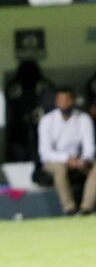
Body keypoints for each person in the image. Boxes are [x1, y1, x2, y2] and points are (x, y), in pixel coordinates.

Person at [38, 87, 96, 216]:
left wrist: (84, 159)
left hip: (78, 159)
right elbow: (45, 152)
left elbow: (89, 147)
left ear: (73, 100)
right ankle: (69, 209)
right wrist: (66, 159)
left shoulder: (83, 118)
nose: (64, 104)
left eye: (67, 100)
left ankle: (86, 208)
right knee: (60, 169)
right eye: (61, 100)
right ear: (56, 102)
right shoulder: (47, 120)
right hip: (53, 161)